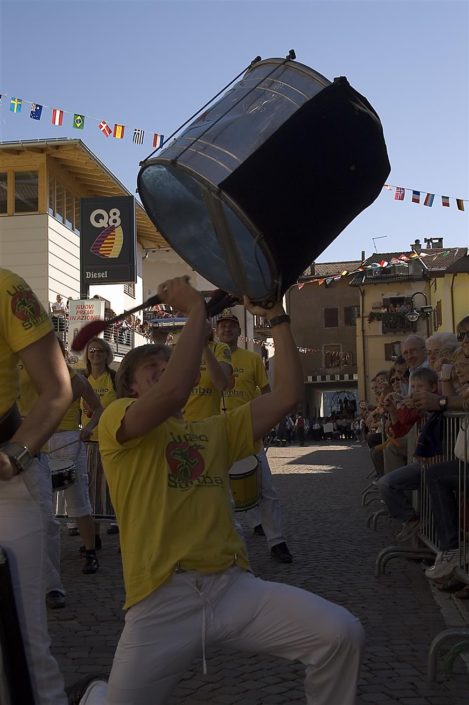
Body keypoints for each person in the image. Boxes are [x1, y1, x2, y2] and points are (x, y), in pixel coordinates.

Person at [70, 276, 364, 705]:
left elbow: (285, 396)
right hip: (161, 600)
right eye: (153, 367)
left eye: (170, 363)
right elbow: (172, 394)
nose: (166, 371)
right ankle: (96, 695)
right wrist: (196, 312)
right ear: (130, 386)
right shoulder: (118, 420)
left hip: (231, 587)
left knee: (341, 634)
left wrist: (278, 318)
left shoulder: (215, 432)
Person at [0, 268, 72, 704]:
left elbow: (58, 388)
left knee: (24, 651)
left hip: (4, 491)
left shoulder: (6, 286)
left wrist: (14, 456)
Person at [216, 308, 293, 563]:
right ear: (216, 332)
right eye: (223, 326)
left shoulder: (251, 359)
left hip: (248, 428)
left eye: (231, 326)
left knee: (266, 487)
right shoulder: (207, 357)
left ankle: (277, 541)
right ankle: (226, 546)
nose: (227, 330)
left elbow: (266, 391)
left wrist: (268, 422)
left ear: (239, 331)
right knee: (219, 490)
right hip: (216, 430)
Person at [80, 337, 117, 540]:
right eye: (92, 351)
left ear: (107, 355)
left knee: (112, 485)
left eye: (100, 351)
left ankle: (117, 523)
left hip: (111, 440)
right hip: (88, 441)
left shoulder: (114, 378)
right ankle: (94, 536)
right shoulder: (82, 379)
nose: (96, 354)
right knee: (90, 489)